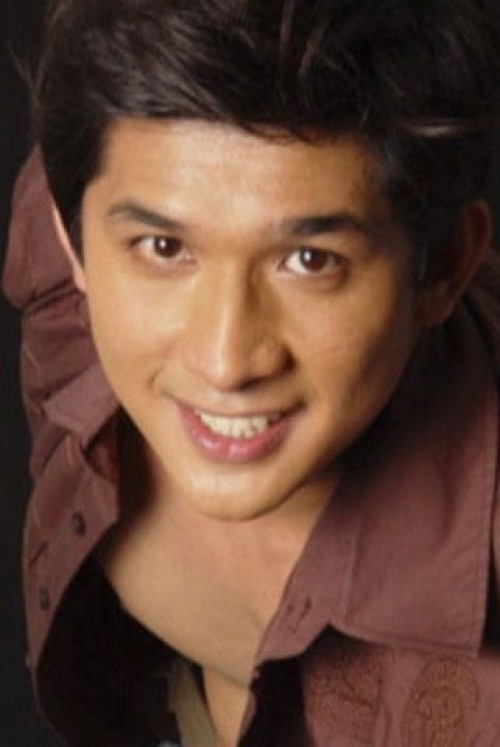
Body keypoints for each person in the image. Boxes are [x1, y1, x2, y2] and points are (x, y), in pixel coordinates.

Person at [3, 0, 500, 744]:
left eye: (310, 260)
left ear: (445, 268)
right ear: (72, 241)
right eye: (166, 249)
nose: (226, 361)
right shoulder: (87, 208)